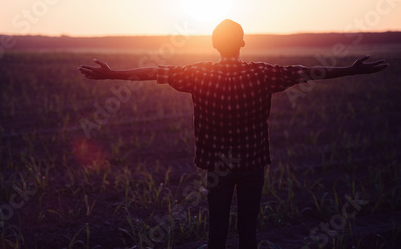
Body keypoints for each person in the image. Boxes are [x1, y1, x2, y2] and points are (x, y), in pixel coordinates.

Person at [78, 19, 388, 249]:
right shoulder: (263, 73)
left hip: (217, 167)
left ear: (214, 44)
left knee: (216, 232)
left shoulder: (197, 73)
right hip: (253, 164)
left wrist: (111, 74)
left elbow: (152, 72)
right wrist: (351, 69)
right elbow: (309, 71)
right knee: (248, 232)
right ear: (242, 43)